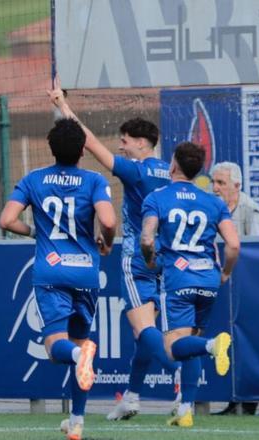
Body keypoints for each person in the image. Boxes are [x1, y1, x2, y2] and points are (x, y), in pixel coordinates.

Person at [48, 79, 180, 422]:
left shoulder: (136, 171)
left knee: (144, 328)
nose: (120, 147)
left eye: (123, 141)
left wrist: (63, 106)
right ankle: (133, 396)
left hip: (138, 257)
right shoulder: (171, 171)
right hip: (168, 259)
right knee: (142, 333)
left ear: (140, 143)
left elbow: (89, 144)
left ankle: (178, 373)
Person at [0, 118, 117, 440]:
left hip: (51, 271)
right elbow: (107, 220)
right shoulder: (94, 180)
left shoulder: (34, 179)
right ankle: (76, 421)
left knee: (57, 350)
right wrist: (106, 241)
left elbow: (7, 220)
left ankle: (80, 359)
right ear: (83, 150)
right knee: (80, 345)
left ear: (51, 149)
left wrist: (34, 231)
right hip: (85, 273)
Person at [141, 141, 239, 428]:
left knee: (173, 347)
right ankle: (186, 410)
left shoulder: (157, 198)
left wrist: (149, 260)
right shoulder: (214, 201)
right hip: (208, 277)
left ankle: (213, 345)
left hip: (178, 278)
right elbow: (233, 245)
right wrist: (226, 273)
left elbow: (147, 238)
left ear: (173, 165)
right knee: (189, 343)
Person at [210, 160, 259, 416]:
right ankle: (232, 399)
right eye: (214, 182)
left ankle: (249, 399)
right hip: (220, 283)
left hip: (245, 286)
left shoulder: (250, 209)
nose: (215, 188)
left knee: (247, 340)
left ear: (237, 185)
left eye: (221, 183)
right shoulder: (211, 208)